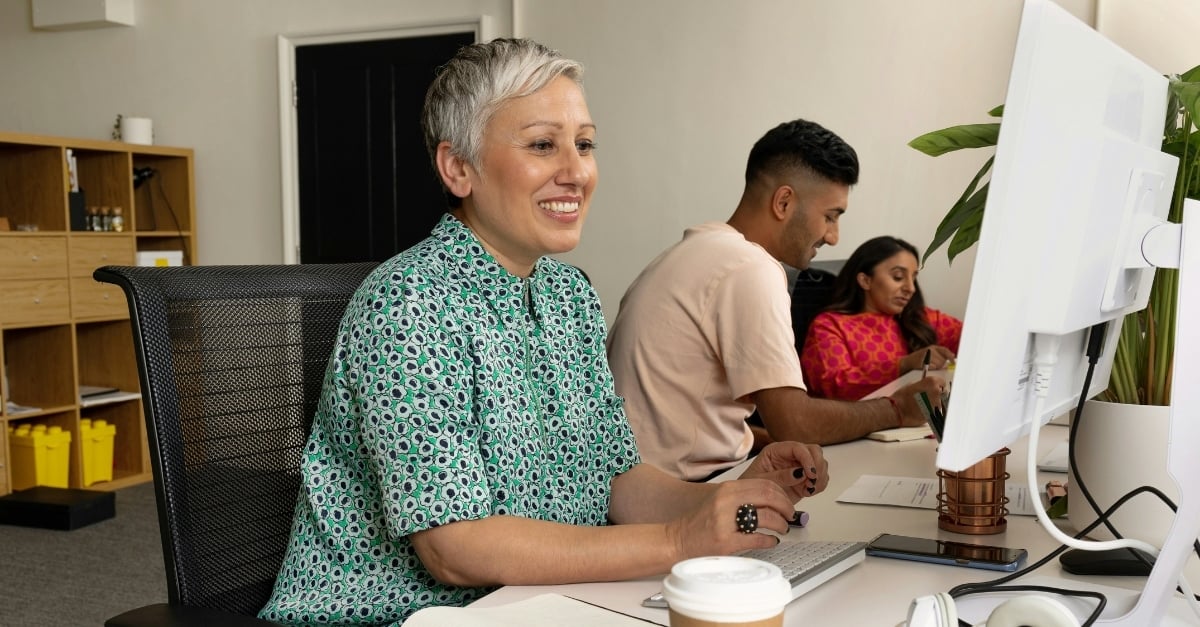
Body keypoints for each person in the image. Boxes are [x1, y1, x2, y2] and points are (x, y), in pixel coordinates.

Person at [258, 39, 830, 625]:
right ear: (458, 168)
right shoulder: (407, 303)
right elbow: (455, 550)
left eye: (584, 144)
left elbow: (617, 478)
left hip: (544, 601)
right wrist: (681, 540)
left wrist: (730, 498)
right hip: (397, 616)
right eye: (542, 145)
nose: (577, 172)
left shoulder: (569, 294)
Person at [606, 119, 945, 482]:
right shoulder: (750, 267)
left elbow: (690, 422)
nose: (833, 236)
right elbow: (794, 423)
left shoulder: (685, 254)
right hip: (680, 496)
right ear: (783, 201)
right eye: (829, 217)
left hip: (639, 485)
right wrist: (897, 409)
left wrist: (763, 442)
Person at [801, 236, 963, 401]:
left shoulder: (921, 319)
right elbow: (833, 384)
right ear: (865, 280)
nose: (911, 288)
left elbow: (975, 338)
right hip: (858, 424)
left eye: (913, 278)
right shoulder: (829, 325)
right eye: (898, 277)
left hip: (921, 422)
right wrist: (903, 365)